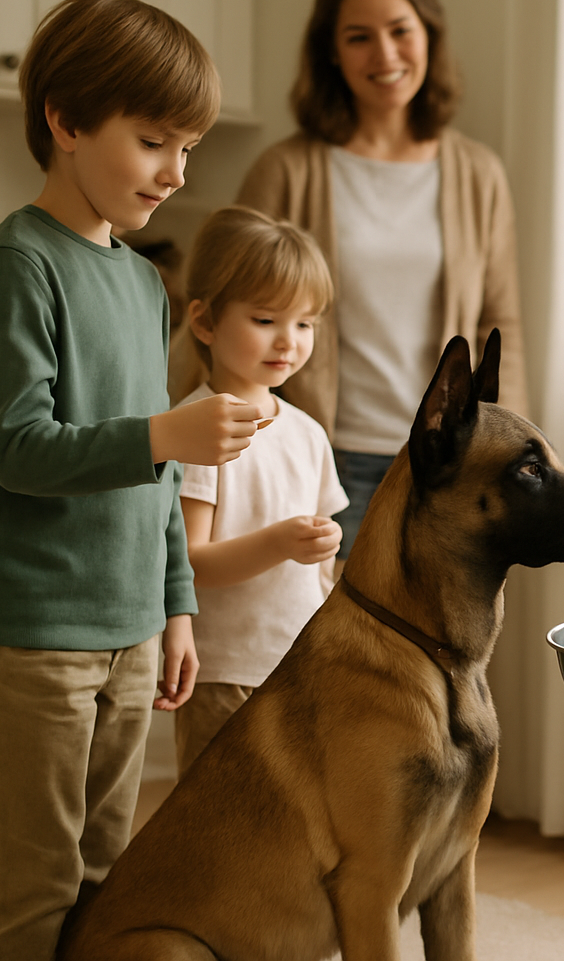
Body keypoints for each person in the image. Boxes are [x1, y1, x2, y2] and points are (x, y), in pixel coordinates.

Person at [0, 0, 264, 961]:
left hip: (131, 626)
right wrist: (164, 432)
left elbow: (160, 478)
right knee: (32, 880)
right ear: (66, 121)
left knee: (102, 869)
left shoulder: (140, 280)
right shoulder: (14, 267)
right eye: (153, 141)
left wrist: (174, 606)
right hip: (36, 628)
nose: (176, 173)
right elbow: (18, 447)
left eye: (189, 148)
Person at [234, 0, 528, 562]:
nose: (386, 54)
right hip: (319, 457)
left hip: (443, 461)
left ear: (429, 36)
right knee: (321, 649)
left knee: (440, 652)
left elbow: (500, 323)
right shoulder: (285, 171)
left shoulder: (479, 173)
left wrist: (503, 449)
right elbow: (238, 315)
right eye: (359, 36)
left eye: (400, 31)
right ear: (331, 52)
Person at [171, 206, 348, 776]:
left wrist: (322, 543)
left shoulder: (308, 432)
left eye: (305, 324)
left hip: (302, 669)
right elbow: (189, 565)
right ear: (205, 323)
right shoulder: (194, 426)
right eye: (266, 319)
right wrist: (281, 542)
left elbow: (323, 568)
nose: (289, 342)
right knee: (218, 832)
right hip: (223, 672)